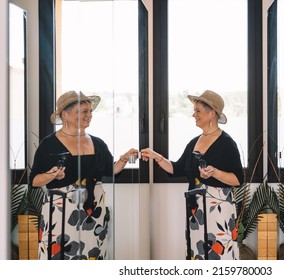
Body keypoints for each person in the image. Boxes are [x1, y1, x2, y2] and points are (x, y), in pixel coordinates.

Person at [29, 90, 138, 260]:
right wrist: (51, 176)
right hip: (61, 212)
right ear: (65, 114)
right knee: (61, 255)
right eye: (84, 112)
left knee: (93, 253)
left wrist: (123, 159)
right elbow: (35, 181)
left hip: (94, 209)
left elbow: (111, 171)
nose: (89, 116)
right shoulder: (49, 144)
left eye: (90, 112)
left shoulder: (98, 143)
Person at [141, 90, 244, 260]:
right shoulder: (194, 142)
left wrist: (215, 172)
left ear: (211, 113)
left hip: (218, 209)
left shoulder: (227, 143)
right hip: (197, 208)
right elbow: (177, 169)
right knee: (198, 253)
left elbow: (238, 179)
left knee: (219, 255)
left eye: (197, 111)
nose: (193, 114)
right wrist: (156, 156)